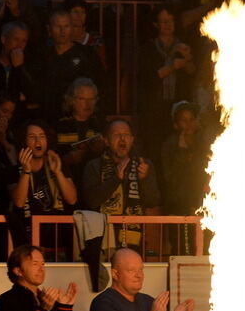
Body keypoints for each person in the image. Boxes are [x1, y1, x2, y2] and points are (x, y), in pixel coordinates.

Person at [83, 119, 161, 249]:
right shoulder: (94, 166)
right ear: (106, 140)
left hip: (133, 238)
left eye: (126, 135)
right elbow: (92, 201)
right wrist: (116, 179)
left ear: (132, 139)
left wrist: (144, 180)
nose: (122, 139)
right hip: (102, 237)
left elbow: (153, 201)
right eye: (116, 135)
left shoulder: (143, 165)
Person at [137, 4, 194, 162]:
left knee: (178, 151)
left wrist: (187, 58)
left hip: (177, 107)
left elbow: (192, 72)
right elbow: (147, 78)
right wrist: (171, 67)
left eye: (170, 21)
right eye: (163, 21)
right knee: (154, 152)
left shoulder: (182, 45)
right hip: (154, 109)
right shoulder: (148, 48)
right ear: (156, 25)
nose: (168, 25)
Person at [10, 120, 78, 248]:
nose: (38, 141)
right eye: (32, 137)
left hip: (59, 237)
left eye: (42, 136)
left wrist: (57, 172)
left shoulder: (57, 165)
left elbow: (72, 199)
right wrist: (26, 171)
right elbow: (19, 202)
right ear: (23, 141)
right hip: (27, 238)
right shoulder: (14, 170)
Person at [30, 9, 105, 122]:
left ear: (72, 28)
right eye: (58, 26)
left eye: (66, 26)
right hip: (48, 117)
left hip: (79, 118)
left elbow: (100, 84)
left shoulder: (87, 54)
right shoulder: (41, 55)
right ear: (49, 29)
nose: (62, 31)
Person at [54, 77, 106, 186]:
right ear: (72, 100)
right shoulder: (60, 126)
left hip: (94, 183)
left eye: (91, 99)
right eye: (82, 99)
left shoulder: (100, 125)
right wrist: (67, 159)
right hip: (66, 182)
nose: (88, 104)